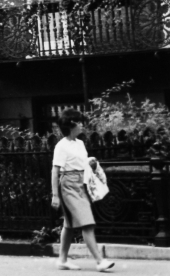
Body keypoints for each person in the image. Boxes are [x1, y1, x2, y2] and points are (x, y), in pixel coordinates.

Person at [51, 109, 115, 272]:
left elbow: (79, 162)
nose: (82, 125)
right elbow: (55, 171)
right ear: (71, 125)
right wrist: (55, 195)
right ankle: (100, 261)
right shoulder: (61, 146)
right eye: (79, 122)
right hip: (69, 185)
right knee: (87, 222)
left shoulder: (79, 143)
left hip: (82, 183)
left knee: (69, 225)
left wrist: (90, 162)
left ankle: (62, 260)